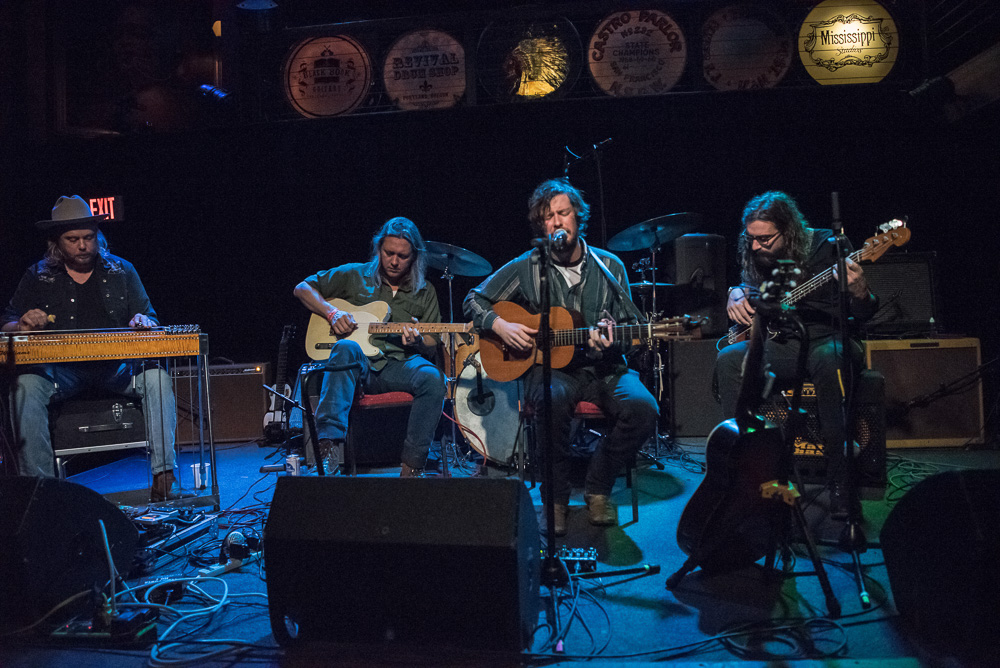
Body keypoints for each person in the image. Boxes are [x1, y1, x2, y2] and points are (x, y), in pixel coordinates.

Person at [463, 178, 658, 535]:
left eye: (563, 213)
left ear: (578, 217)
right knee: (550, 404)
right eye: (548, 217)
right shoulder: (528, 266)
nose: (556, 221)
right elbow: (474, 299)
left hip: (605, 369)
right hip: (552, 371)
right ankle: (555, 501)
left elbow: (634, 329)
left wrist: (612, 343)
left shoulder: (610, 267)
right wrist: (501, 326)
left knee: (645, 409)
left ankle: (598, 488)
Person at [2, 195, 189, 501]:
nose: (82, 246)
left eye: (88, 238)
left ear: (97, 236)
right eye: (72, 239)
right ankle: (41, 493)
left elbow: (151, 317)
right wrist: (20, 324)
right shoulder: (38, 275)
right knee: (24, 386)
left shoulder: (122, 270)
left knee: (157, 378)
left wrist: (143, 320)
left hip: (116, 368)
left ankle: (164, 476)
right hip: (61, 372)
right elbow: (7, 320)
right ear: (56, 242)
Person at [715, 190, 879, 519]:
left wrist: (861, 291)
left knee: (829, 361)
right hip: (784, 342)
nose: (756, 246)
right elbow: (753, 292)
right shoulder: (757, 251)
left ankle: (840, 488)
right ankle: (743, 476)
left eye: (764, 239)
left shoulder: (830, 247)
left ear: (788, 231)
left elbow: (864, 313)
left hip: (828, 339)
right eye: (751, 239)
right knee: (729, 359)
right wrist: (735, 292)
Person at [293, 217, 446, 477]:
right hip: (357, 366)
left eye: (402, 256)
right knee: (345, 348)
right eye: (389, 253)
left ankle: (412, 466)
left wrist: (419, 340)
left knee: (433, 378)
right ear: (378, 249)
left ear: (414, 258)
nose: (394, 261)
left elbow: (432, 342)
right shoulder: (355, 275)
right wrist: (331, 313)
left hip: (400, 365)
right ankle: (328, 449)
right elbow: (302, 288)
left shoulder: (425, 291)